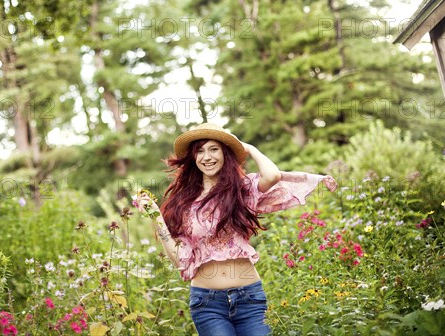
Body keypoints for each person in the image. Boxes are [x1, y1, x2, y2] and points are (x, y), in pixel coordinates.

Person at [135, 123, 337, 336]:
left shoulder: (242, 189)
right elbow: (179, 259)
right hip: (207, 303)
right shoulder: (185, 203)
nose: (207, 157)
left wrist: (247, 147)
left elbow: (273, 176)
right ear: (194, 158)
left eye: (214, 149)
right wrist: (156, 217)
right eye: (200, 151)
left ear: (225, 153)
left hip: (249, 298)